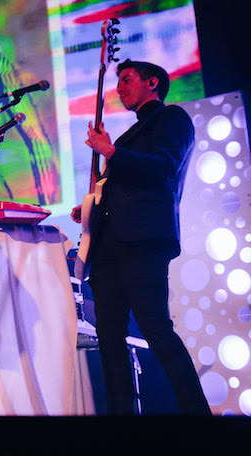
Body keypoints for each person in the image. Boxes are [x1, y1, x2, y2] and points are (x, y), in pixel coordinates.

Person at [72, 59, 209, 415]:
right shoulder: (125, 139)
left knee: (156, 328)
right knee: (109, 337)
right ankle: (122, 419)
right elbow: (116, 188)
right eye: (118, 81)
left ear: (152, 83)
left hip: (144, 239)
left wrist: (111, 152)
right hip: (109, 245)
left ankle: (198, 415)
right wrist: (88, 208)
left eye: (127, 79)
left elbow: (163, 168)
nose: (120, 87)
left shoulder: (172, 118)